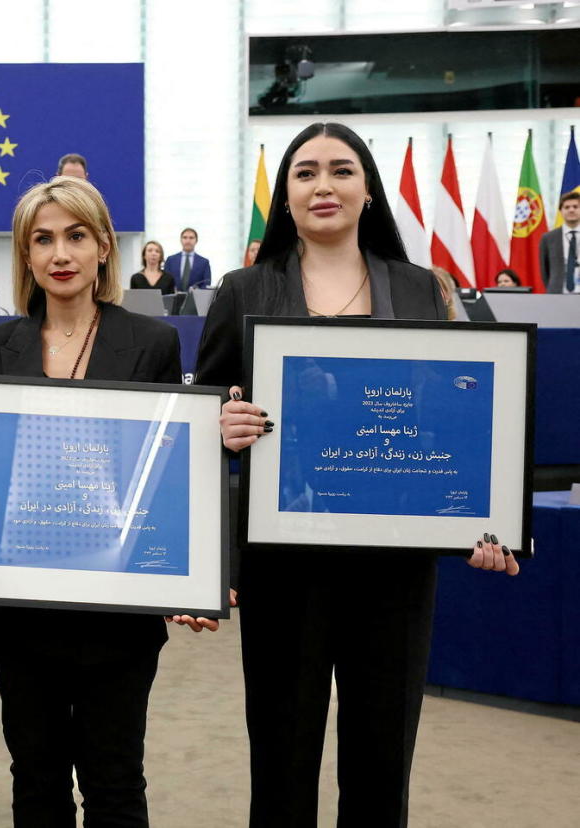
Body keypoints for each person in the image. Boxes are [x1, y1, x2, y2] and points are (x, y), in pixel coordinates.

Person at [195, 122, 519, 827]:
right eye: (305, 173)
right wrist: (222, 427)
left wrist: (480, 520)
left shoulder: (421, 288)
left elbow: (454, 423)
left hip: (394, 571)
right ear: (285, 198)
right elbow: (206, 415)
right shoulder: (243, 290)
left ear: (368, 189)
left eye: (341, 170)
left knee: (380, 768)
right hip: (284, 566)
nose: (324, 186)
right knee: (281, 764)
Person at [0, 177, 215, 827]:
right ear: (26, 256)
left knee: (115, 784)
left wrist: (185, 571)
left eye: (76, 236)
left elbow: (164, 474)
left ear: (104, 249)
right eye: (44, 239)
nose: (61, 253)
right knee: (35, 782)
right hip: (22, 610)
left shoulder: (152, 343)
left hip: (118, 614)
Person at [540, 190, 579, 293]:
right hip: (557, 294)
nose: (571, 210)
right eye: (566, 207)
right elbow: (545, 270)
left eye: (575, 207)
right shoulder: (548, 238)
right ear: (561, 211)